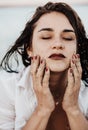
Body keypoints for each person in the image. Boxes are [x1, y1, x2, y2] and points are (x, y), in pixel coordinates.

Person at [0, 2, 88, 130]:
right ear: (29, 48)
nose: (58, 44)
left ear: (78, 50)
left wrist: (73, 109)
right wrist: (42, 109)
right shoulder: (6, 88)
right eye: (46, 37)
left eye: (68, 38)